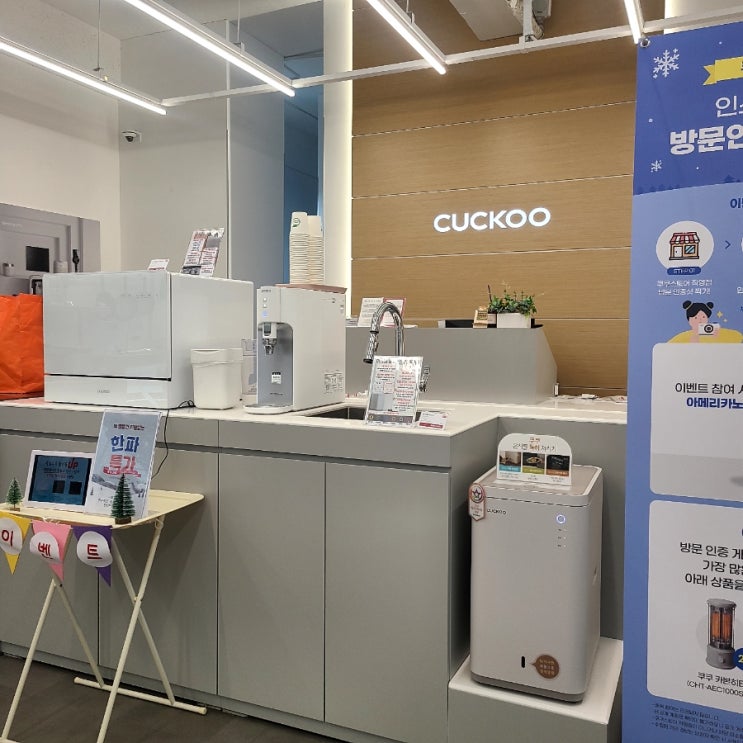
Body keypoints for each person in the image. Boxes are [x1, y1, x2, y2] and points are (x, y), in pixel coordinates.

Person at [668, 300, 743, 343]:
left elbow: (738, 337)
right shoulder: (684, 336)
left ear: (707, 318)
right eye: (695, 318)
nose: (700, 320)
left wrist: (717, 336)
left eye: (703, 317)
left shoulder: (714, 330)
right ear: (689, 320)